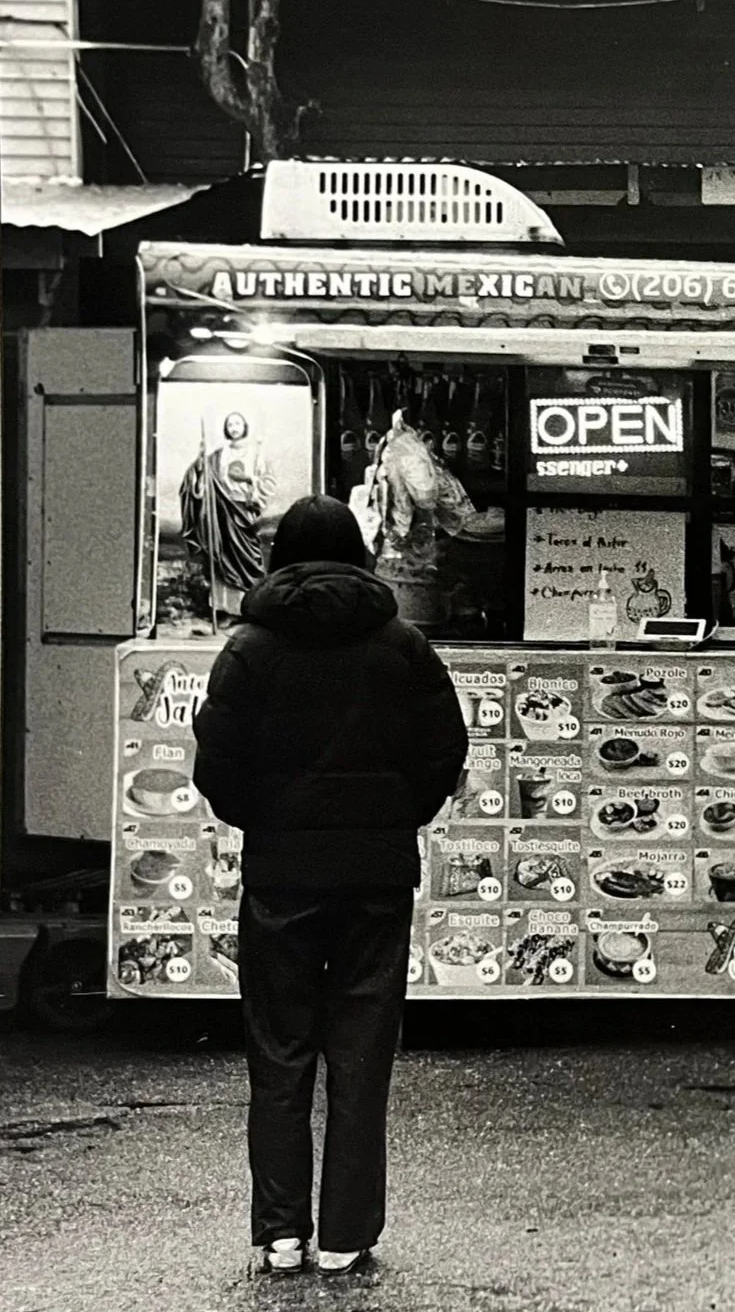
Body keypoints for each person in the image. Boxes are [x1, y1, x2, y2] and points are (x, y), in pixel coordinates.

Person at [193, 495, 468, 1278]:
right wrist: (394, 815)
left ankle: (282, 1234)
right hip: (378, 875)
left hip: (283, 874)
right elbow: (444, 750)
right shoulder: (403, 644)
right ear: (359, 555)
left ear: (281, 556)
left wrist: (268, 820)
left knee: (278, 1052)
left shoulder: (249, 647)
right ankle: (347, 1234)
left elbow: (216, 766)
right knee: (361, 1051)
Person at [181, 411, 278, 620]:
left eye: (238, 423)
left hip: (243, 512)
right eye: (230, 424)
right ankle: (225, 610)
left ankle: (249, 609)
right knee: (222, 558)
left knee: (249, 558)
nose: (234, 427)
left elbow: (268, 483)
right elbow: (199, 478)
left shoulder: (256, 454)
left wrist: (252, 480)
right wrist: (200, 460)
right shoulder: (218, 455)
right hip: (221, 513)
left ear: (245, 427)